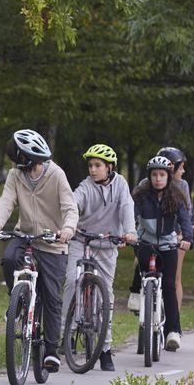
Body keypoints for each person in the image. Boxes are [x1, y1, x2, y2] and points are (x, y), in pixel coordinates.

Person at [0, 129, 78, 373]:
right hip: (25, 235)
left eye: (17, 158)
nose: (15, 163)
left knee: (52, 297)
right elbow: (6, 202)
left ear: (26, 157)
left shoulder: (56, 174)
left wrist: (67, 229)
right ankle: (17, 303)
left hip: (53, 242)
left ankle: (50, 352)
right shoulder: (16, 175)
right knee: (8, 259)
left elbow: (70, 207)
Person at [66, 144, 136, 371]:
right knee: (71, 282)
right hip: (81, 240)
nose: (93, 170)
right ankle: (64, 336)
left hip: (107, 244)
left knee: (107, 295)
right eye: (90, 166)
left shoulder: (121, 185)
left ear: (110, 167)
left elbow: (127, 207)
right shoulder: (85, 186)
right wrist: (67, 223)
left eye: (98, 166)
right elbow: (74, 203)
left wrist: (130, 231)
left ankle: (105, 350)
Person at [132, 155, 193, 351]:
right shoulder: (141, 196)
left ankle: (173, 332)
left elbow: (185, 219)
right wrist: (129, 233)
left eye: (162, 175)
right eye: (154, 175)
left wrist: (187, 239)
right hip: (145, 241)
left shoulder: (176, 196)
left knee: (168, 287)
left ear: (168, 177)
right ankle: (136, 291)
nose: (158, 179)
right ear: (149, 177)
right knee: (140, 266)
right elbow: (130, 215)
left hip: (168, 244)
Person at [159, 146, 190, 316]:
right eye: (181, 167)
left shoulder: (182, 185)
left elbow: (186, 212)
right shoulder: (152, 184)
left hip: (176, 234)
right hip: (154, 233)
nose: (183, 171)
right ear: (172, 167)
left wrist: (183, 234)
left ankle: (174, 321)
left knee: (175, 278)